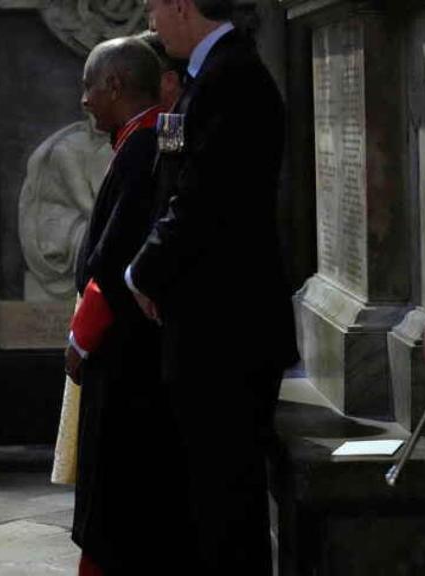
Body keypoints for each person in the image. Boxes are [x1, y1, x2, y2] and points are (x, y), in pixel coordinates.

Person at [130, 1, 299, 572]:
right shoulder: (218, 72)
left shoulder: (232, 79)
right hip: (213, 322)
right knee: (213, 498)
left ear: (182, 4)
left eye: (154, 4)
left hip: (226, 331)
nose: (149, 18)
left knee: (226, 503)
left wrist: (142, 272)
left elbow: (204, 201)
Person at [62, 37, 189, 575]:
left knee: (117, 504)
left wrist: (79, 338)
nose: (85, 100)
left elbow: (112, 264)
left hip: (126, 354)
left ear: (114, 85)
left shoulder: (143, 150)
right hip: (134, 349)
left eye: (90, 86)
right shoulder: (145, 139)